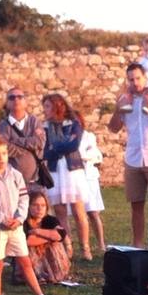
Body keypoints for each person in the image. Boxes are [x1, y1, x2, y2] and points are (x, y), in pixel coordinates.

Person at [0, 135, 58, 295]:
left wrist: (19, 218)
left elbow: (23, 198)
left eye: (4, 153)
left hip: (15, 228)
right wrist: (1, 219)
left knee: (25, 262)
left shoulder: (15, 175)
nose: (1, 158)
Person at [109, 62, 148, 247]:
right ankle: (138, 245)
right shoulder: (125, 101)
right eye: (131, 79)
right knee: (136, 205)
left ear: (144, 78)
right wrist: (118, 108)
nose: (135, 82)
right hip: (133, 158)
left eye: (138, 78)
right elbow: (114, 128)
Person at [41, 92, 92, 260]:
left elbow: (74, 144)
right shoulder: (45, 127)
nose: (45, 110)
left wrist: (56, 147)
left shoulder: (73, 123)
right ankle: (67, 245)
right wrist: (58, 147)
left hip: (72, 169)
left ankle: (85, 248)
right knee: (60, 210)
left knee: (78, 210)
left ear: (57, 106)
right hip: (55, 170)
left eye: (47, 106)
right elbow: (45, 152)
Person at [0, 87, 46, 188]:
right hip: (13, 181)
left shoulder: (34, 121)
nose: (16, 100)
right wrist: (27, 148)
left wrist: (15, 141)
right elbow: (5, 148)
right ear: (7, 103)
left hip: (36, 179)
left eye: (20, 97)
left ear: (25, 101)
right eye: (12, 97)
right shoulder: (3, 125)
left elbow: (40, 142)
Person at [22, 189, 71, 284]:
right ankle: (37, 275)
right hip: (29, 256)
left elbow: (60, 234)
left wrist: (37, 231)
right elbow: (28, 241)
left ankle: (56, 273)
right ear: (28, 206)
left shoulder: (50, 219)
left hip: (48, 256)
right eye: (35, 205)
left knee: (55, 244)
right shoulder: (23, 221)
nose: (40, 209)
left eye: (43, 205)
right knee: (32, 247)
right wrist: (49, 237)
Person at [77, 128, 107, 252]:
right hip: (75, 177)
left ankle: (101, 244)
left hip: (89, 178)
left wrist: (84, 156)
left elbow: (94, 155)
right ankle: (84, 246)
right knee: (77, 213)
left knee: (93, 213)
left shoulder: (88, 136)